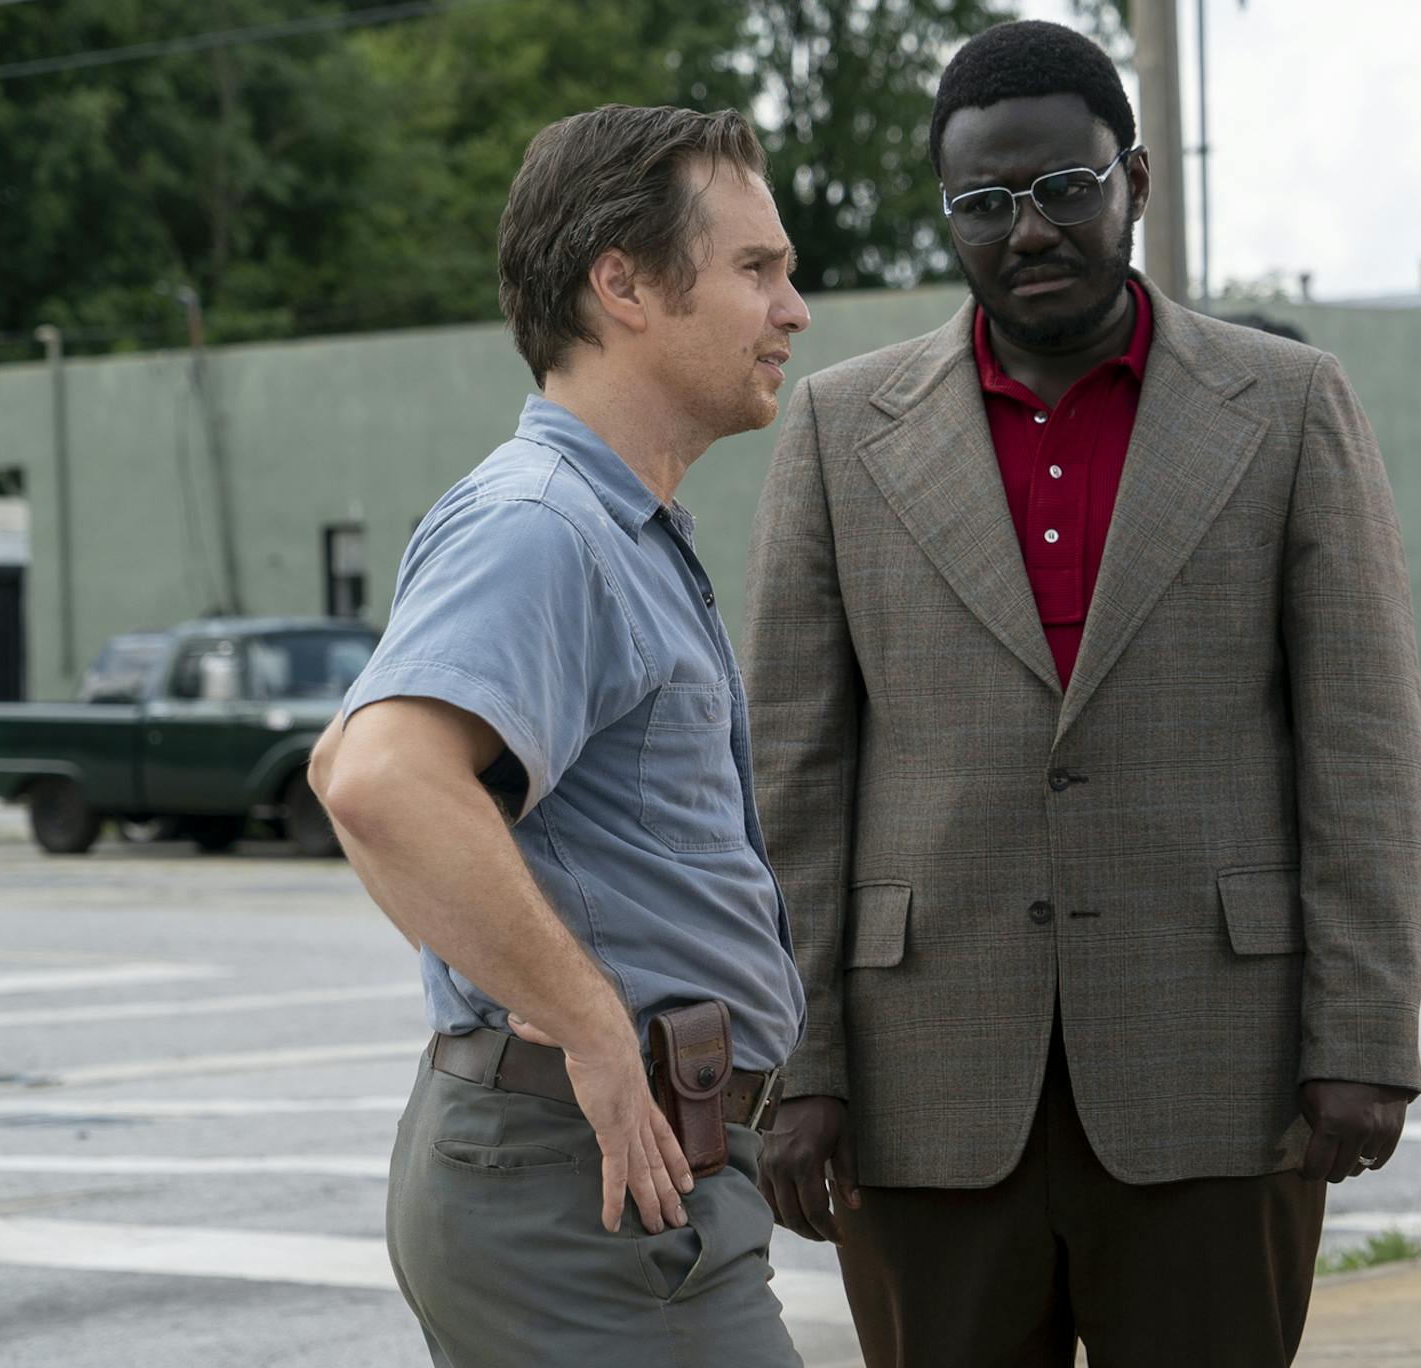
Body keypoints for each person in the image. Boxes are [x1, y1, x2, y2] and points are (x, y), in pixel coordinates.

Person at [743, 19, 1421, 1367]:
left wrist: (1363, 1033)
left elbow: (1361, 742)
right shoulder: (838, 428)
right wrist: (800, 1062)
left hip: (1218, 1069)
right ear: (950, 217)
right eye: (986, 204)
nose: (1032, 229)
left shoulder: (1287, 406)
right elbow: (795, 774)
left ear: (1135, 180)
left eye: (1065, 187)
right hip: (927, 1075)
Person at [306, 104, 811, 1368]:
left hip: (610, 1179)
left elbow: (358, 782)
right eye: (758, 269)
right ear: (623, 286)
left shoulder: (604, 526)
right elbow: (376, 781)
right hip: (588, 1193)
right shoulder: (547, 527)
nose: (793, 309)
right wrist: (586, 1023)